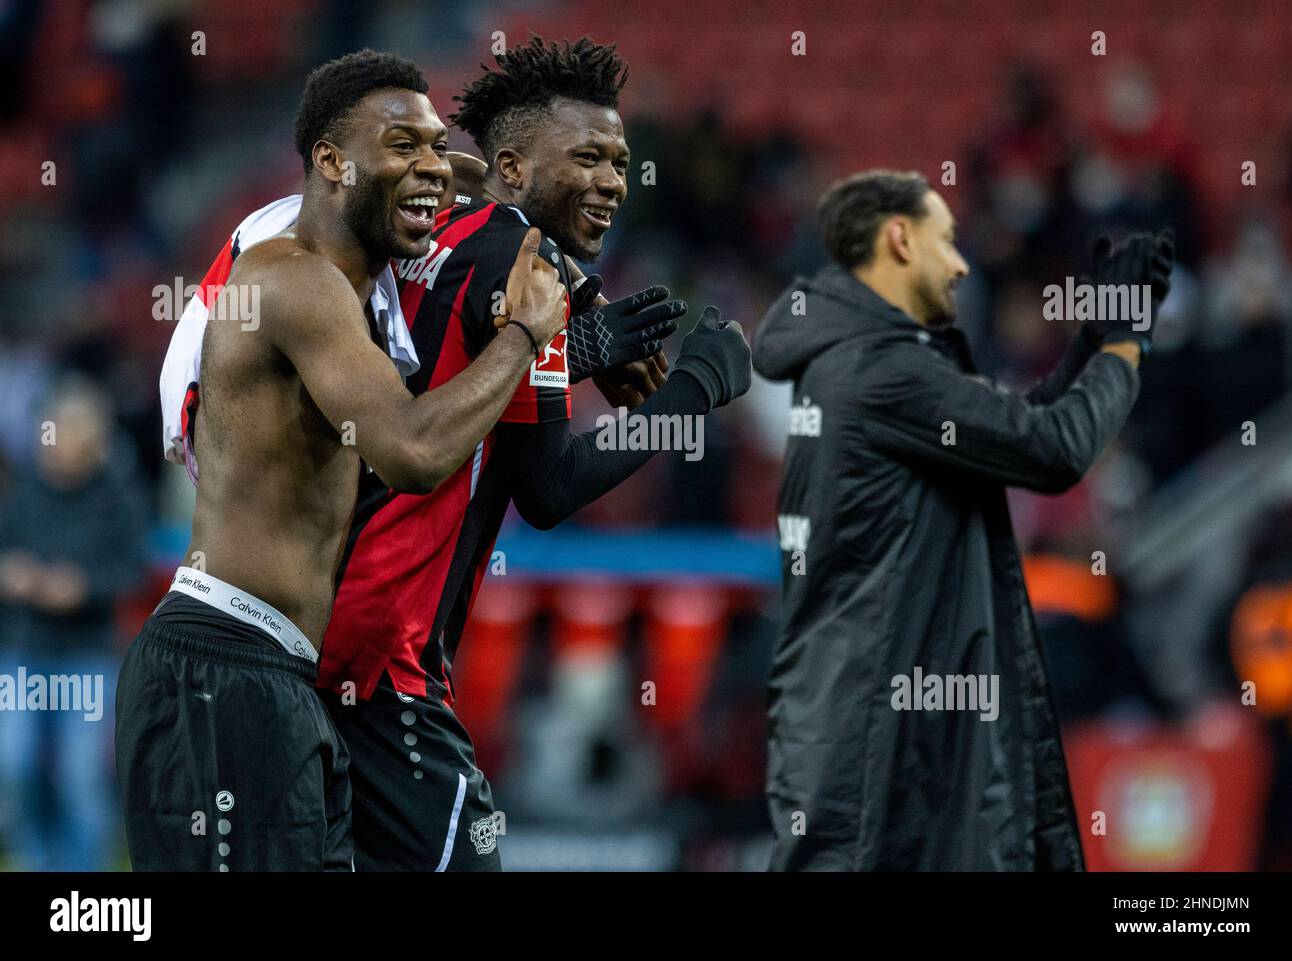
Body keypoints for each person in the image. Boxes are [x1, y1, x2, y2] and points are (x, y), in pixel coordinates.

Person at [115, 50, 568, 872]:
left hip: (270, 675)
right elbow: (414, 452)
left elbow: (432, 175)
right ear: (328, 162)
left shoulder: (347, 278)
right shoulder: (295, 279)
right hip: (227, 670)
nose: (431, 167)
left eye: (437, 145)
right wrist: (524, 335)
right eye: (403, 144)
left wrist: (435, 169)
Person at [316, 36, 753, 871]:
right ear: (510, 169)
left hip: (323, 621)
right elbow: (549, 487)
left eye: (620, 163)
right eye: (586, 157)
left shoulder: (430, 231)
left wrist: (581, 341)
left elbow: (445, 371)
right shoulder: (528, 265)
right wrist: (695, 385)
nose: (610, 182)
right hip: (386, 650)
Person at [752, 169, 1173, 871]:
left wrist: (1091, 337)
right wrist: (1125, 346)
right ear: (898, 241)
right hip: (878, 743)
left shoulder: (853, 358)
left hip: (871, 721)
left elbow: (1009, 429)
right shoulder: (883, 370)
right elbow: (1054, 448)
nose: (960, 262)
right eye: (945, 242)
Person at [0, 378, 148, 870]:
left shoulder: (117, 497)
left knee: (79, 777)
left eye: (70, 431)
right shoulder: (24, 492)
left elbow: (132, 569)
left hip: (86, 655)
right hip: (23, 650)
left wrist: (81, 588)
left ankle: (80, 874)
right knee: (16, 766)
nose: (58, 441)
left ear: (94, 439)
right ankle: (38, 861)